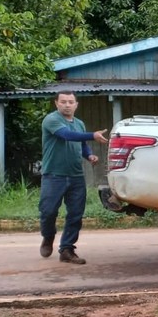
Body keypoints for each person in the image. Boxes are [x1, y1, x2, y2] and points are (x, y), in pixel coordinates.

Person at [39, 92, 108, 265]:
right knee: (48, 212)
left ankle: (67, 249)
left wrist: (90, 156)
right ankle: (48, 237)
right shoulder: (51, 120)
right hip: (53, 175)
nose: (67, 105)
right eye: (63, 102)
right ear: (56, 103)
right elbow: (67, 135)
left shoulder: (79, 124)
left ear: (76, 104)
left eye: (70, 102)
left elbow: (82, 145)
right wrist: (93, 135)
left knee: (76, 215)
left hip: (76, 176)